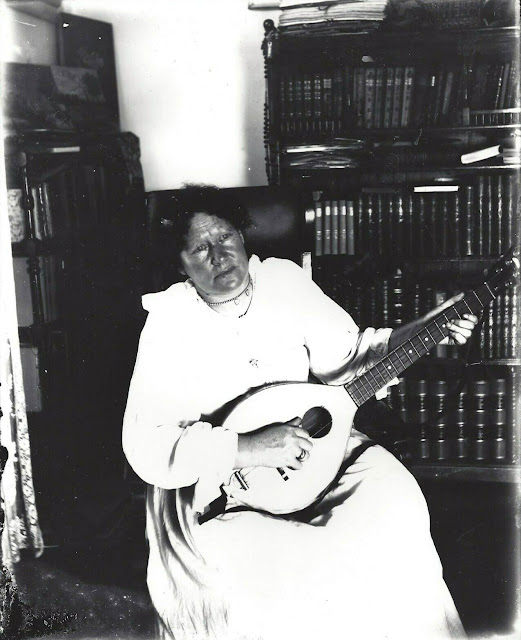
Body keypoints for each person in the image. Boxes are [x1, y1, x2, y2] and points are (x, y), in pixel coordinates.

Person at [123, 184, 478, 640]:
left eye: (225, 237)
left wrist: (429, 327)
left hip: (312, 446)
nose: (220, 256)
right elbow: (146, 444)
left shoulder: (282, 281)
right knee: (278, 563)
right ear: (181, 264)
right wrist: (247, 447)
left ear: (243, 237)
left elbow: (352, 358)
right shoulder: (170, 320)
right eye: (200, 248)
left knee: (394, 503)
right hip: (221, 481)